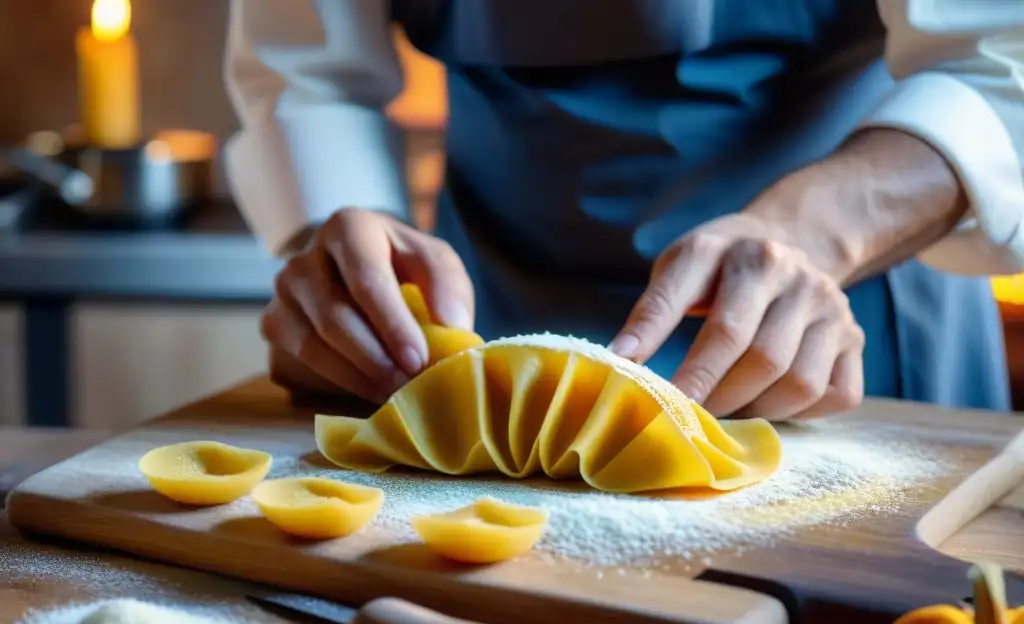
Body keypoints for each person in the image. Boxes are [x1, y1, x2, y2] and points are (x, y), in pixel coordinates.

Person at [222, 1, 1024, 420]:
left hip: (843, 330)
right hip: (481, 325)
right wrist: (347, 252)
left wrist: (804, 234)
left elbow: (1000, 59)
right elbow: (311, 76)